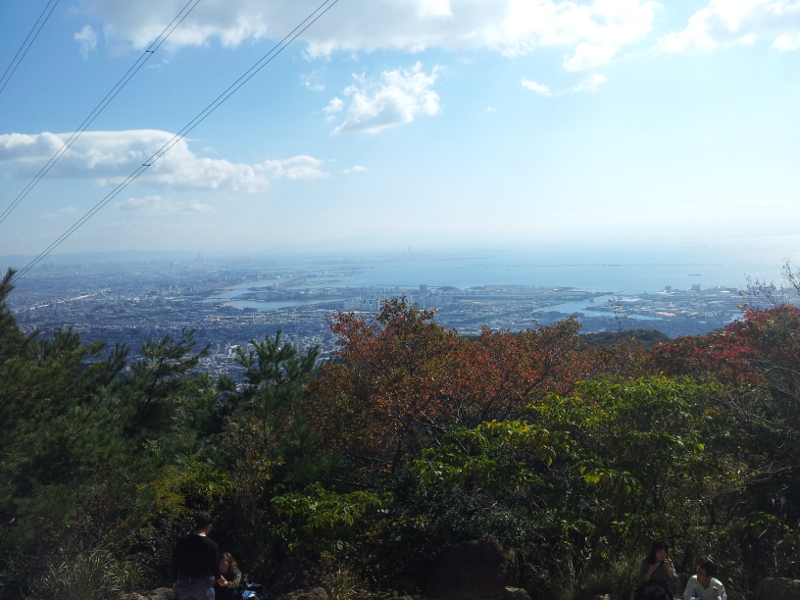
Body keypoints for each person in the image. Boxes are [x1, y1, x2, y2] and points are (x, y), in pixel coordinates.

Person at [172, 513, 228, 600]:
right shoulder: (212, 545)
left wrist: (174, 580)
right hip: (202, 583)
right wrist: (219, 578)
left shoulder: (182, 541)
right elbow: (214, 568)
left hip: (184, 581)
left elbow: (175, 562)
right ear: (209, 526)